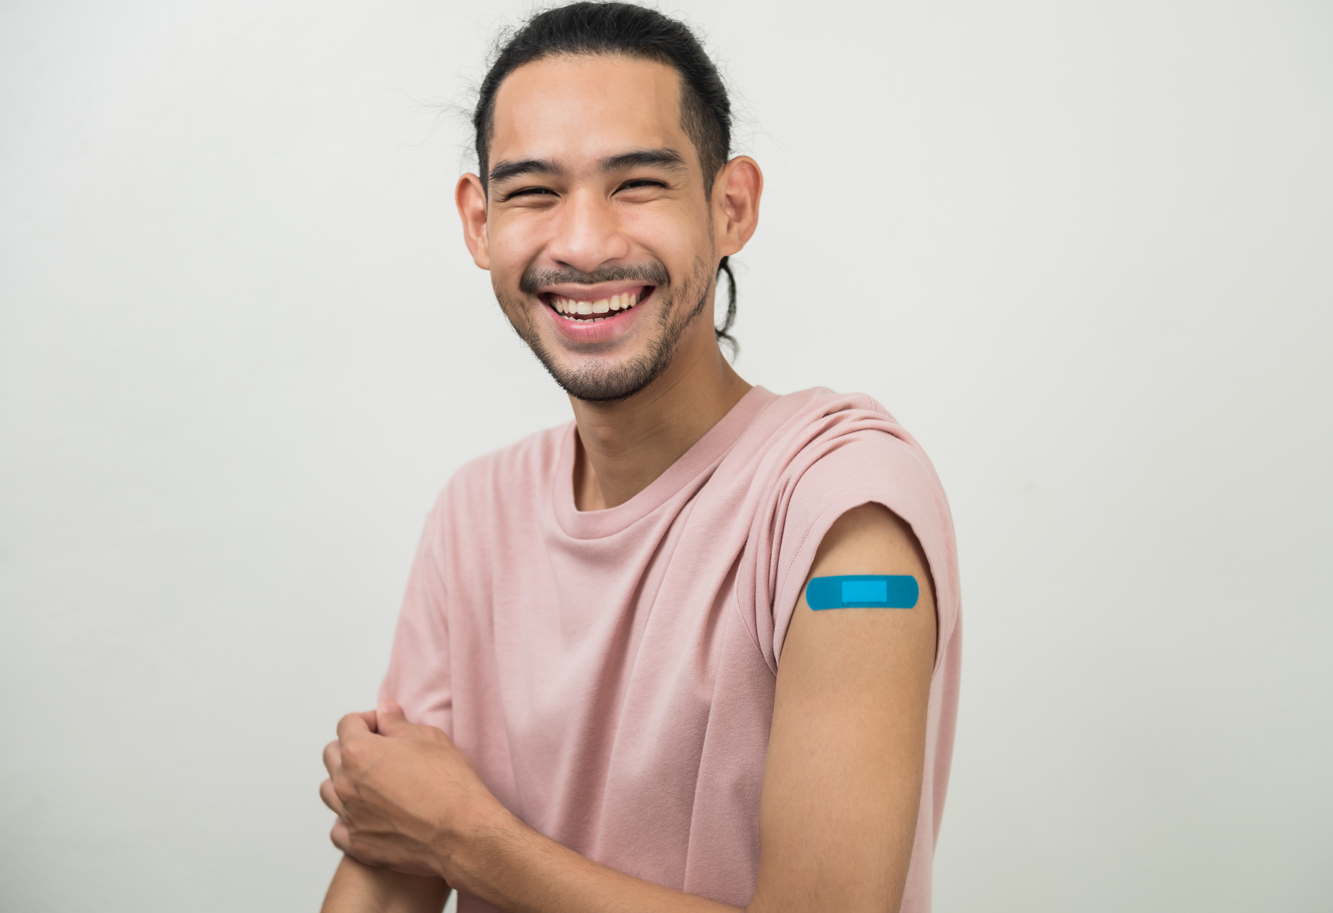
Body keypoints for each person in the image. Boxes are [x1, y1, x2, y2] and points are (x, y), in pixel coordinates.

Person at [318, 3, 961, 911]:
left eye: (637, 184)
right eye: (535, 190)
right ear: (478, 221)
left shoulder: (840, 507)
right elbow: (391, 860)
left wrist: (466, 836)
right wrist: (426, 829)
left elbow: (433, 827)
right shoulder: (474, 515)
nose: (583, 243)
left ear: (730, 206)